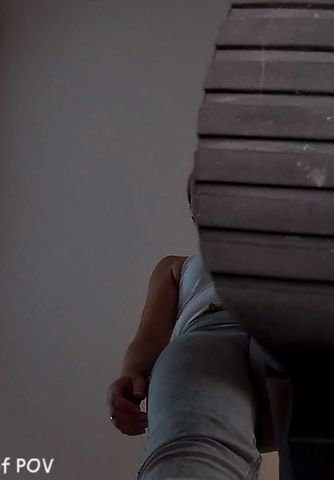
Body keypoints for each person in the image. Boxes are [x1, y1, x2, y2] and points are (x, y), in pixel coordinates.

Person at [106, 177, 262, 480]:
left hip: (282, 324)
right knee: (193, 442)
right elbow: (149, 336)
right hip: (207, 337)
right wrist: (132, 374)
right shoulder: (176, 267)